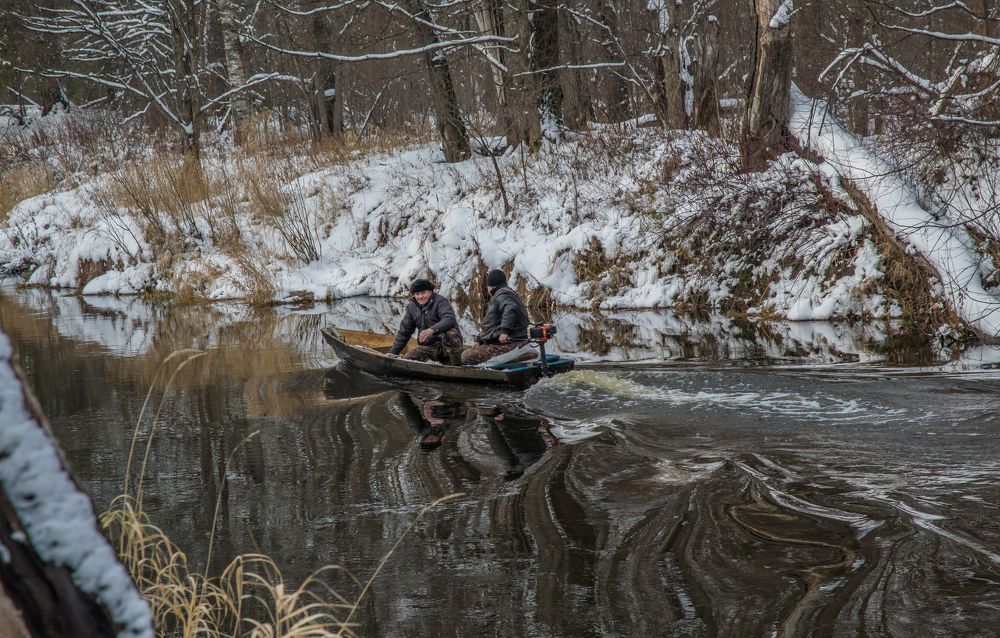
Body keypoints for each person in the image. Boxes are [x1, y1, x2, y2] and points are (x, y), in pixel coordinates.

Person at [461, 269, 530, 365]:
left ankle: (512, 358)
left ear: (491, 287)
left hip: (510, 345)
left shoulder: (502, 295)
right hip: (513, 343)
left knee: (465, 356)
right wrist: (479, 340)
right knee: (471, 350)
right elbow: (491, 325)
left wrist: (505, 331)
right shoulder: (507, 293)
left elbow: (510, 307)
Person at [388, 278, 463, 362]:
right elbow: (404, 332)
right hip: (430, 347)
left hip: (448, 346)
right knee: (407, 359)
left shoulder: (441, 302)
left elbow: (449, 319)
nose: (420, 297)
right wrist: (393, 352)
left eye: (423, 293)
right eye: (417, 294)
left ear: (430, 292)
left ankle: (455, 362)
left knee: (451, 332)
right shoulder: (412, 307)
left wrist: (432, 330)